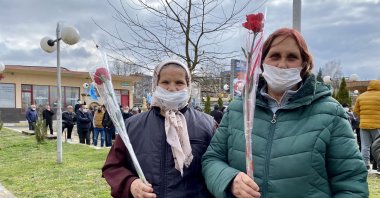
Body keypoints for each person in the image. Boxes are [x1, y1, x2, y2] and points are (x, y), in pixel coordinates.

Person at [202, 28, 368, 197]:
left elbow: (351, 182)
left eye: (292, 57)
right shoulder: (239, 109)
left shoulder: (329, 112)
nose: (282, 65)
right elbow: (211, 160)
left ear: (303, 64)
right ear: (262, 62)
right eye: (275, 56)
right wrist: (229, 180)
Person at [102, 60, 216, 198]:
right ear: (155, 84)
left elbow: (218, 167)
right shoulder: (131, 126)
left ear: (188, 86)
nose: (172, 88)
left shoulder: (208, 125)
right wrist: (130, 183)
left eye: (179, 82)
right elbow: (113, 166)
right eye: (165, 82)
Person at [354, 80, 380, 171]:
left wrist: (363, 117)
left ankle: (365, 165)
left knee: (365, 146)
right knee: (378, 146)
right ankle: (378, 166)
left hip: (364, 125)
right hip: (378, 125)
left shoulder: (361, 96)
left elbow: (355, 111)